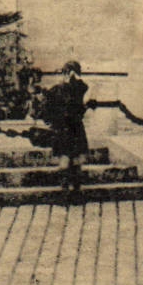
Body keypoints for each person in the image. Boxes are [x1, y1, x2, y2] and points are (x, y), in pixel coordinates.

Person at [38, 61, 92, 198]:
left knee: (75, 160)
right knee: (66, 159)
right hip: (66, 128)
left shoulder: (76, 88)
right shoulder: (59, 89)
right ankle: (67, 191)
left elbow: (82, 88)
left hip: (72, 128)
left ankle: (72, 191)